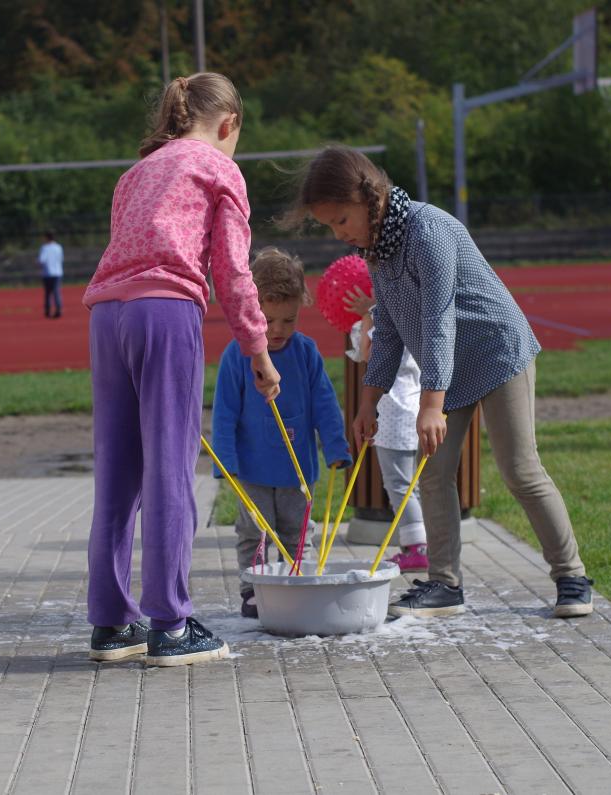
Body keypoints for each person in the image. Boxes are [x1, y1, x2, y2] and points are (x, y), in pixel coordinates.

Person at [293, 145, 594, 619]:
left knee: (520, 469)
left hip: (496, 353)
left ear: (366, 198)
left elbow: (438, 320)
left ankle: (572, 576)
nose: (339, 234)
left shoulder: (428, 230)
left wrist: (430, 405)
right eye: (330, 225)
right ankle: (444, 584)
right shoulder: (376, 249)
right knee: (433, 473)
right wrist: (369, 401)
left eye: (341, 220)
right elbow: (389, 326)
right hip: (448, 368)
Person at [82, 73, 281, 666]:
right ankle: (170, 624)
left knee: (117, 471)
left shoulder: (135, 172)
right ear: (229, 125)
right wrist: (259, 350)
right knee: (169, 466)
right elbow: (233, 271)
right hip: (165, 312)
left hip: (106, 316)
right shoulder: (220, 168)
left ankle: (112, 624)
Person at [211, 247, 351, 618]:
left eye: (288, 320)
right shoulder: (237, 355)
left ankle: (296, 584)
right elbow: (223, 412)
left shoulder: (306, 352)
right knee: (254, 533)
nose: (276, 330)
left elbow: (325, 403)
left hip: (297, 471)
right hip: (252, 471)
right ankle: (253, 590)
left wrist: (336, 446)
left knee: (298, 533)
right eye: (267, 319)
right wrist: (224, 463)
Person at [343, 286, 428, 574]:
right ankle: (418, 545)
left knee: (399, 485)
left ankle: (417, 549)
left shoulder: (388, 323)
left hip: (394, 414)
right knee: (410, 484)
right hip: (413, 409)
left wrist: (369, 314)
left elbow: (367, 353)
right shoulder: (415, 320)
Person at [38, 230, 64, 318]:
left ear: (46, 237)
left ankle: (47, 311)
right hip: (58, 272)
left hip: (48, 273)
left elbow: (42, 260)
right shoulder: (58, 247)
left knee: (48, 293)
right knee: (56, 292)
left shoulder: (44, 248)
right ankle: (58, 310)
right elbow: (61, 259)